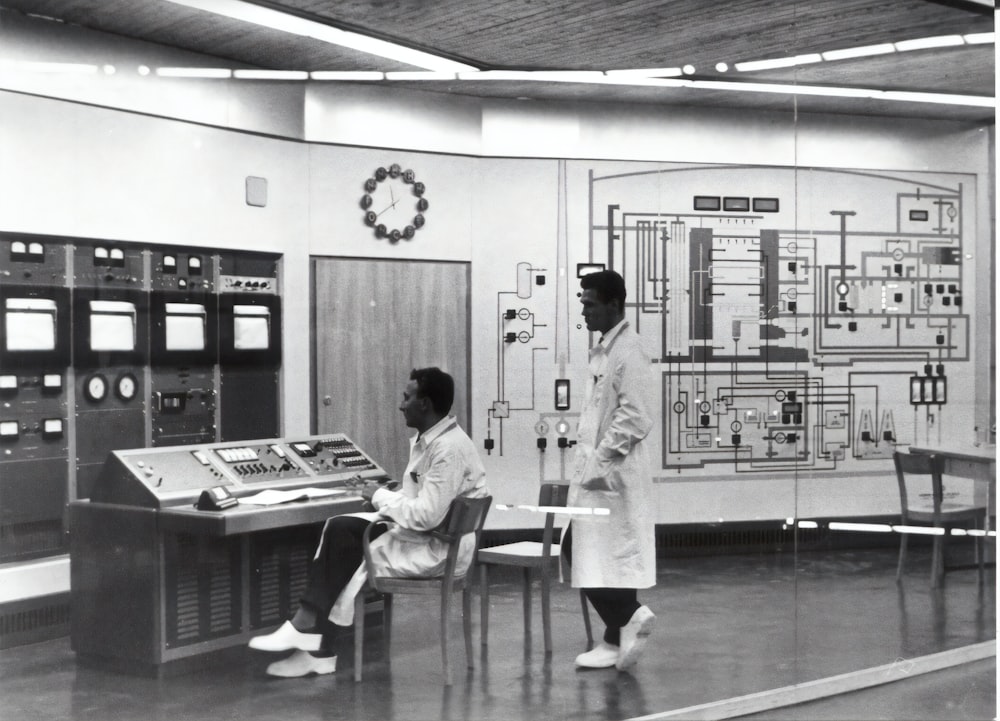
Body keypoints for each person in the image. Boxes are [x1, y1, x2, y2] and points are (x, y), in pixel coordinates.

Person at [248, 367, 489, 678]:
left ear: (425, 404)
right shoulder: (436, 440)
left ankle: (310, 635)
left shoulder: (447, 449)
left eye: (407, 397)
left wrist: (379, 498)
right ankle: (312, 643)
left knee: (344, 543)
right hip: (436, 539)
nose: (401, 404)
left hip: (439, 550)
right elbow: (427, 496)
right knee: (342, 529)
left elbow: (427, 515)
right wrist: (388, 494)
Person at [563, 269, 656, 671]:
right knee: (602, 555)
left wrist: (600, 461)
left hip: (613, 472)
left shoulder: (628, 350)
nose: (583, 310)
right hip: (599, 470)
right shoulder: (605, 350)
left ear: (614, 305)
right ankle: (615, 638)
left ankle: (629, 617)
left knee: (582, 549)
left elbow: (635, 417)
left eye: (590, 303)